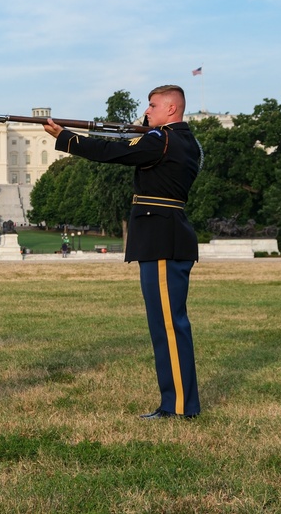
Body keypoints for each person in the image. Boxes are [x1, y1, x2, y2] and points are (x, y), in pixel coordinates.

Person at [42, 84, 202, 419]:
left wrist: (67, 139)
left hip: (161, 238)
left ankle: (177, 407)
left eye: (153, 106)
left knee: (168, 328)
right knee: (170, 325)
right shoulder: (186, 142)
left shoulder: (163, 140)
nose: (147, 112)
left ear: (171, 109)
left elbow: (112, 152)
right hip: (168, 235)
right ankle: (179, 402)